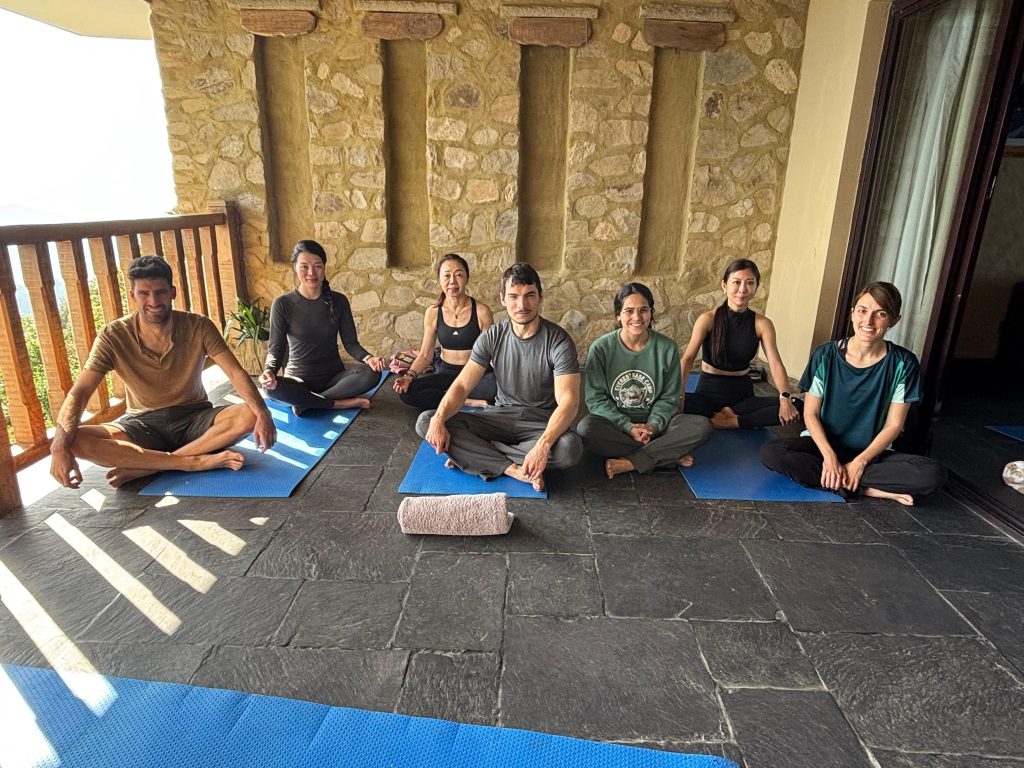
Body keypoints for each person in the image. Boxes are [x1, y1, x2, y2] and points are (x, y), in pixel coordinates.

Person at [49, 255, 276, 489]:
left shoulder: (198, 326)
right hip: (142, 423)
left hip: (194, 417)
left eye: (160, 292)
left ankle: (150, 466)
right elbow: (81, 392)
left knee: (250, 414)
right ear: (133, 296)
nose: (153, 301)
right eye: (144, 294)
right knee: (76, 439)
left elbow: (236, 373)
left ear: (173, 292)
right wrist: (58, 447)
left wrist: (263, 413)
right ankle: (190, 462)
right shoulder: (113, 335)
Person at [761, 282, 946, 505]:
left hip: (872, 453)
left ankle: (841, 480)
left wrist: (861, 461)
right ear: (852, 313)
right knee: (772, 452)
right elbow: (810, 414)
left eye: (880, 314)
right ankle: (868, 490)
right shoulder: (826, 355)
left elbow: (894, 426)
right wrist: (829, 457)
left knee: (932, 473)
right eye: (862, 311)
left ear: (894, 320)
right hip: (823, 447)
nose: (868, 321)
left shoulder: (903, 362)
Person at [416, 263, 582, 491]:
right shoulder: (493, 336)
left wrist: (543, 445)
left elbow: (569, 402)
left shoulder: (559, 341)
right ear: (502, 299)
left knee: (569, 449)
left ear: (540, 297)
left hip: (539, 423)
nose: (521, 305)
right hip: (499, 417)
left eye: (529, 296)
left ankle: (479, 454)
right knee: (427, 420)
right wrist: (439, 419)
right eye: (513, 296)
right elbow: (463, 385)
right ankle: (512, 468)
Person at [578, 283, 713, 479]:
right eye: (629, 311)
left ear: (651, 313)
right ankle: (665, 456)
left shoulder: (667, 348)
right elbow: (596, 399)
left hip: (659, 427)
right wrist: (628, 427)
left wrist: (652, 426)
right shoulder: (601, 348)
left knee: (702, 426)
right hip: (616, 426)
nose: (637, 317)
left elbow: (669, 398)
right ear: (618, 315)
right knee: (586, 430)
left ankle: (630, 462)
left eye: (643, 310)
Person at [260, 240, 386, 415]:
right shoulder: (283, 304)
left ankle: (307, 402)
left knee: (372, 374)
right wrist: (269, 372)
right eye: (304, 267)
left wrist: (368, 358)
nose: (311, 273)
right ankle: (337, 404)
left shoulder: (339, 301)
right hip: (298, 380)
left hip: (334, 379)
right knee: (269, 389)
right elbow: (276, 348)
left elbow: (350, 343)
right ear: (295, 267)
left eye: (317, 266)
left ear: (324, 267)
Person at [680, 259, 800, 429]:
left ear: (756, 287)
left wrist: (785, 398)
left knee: (799, 406)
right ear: (724, 286)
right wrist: (678, 396)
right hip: (707, 396)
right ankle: (727, 418)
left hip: (742, 398)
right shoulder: (707, 319)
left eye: (749, 283)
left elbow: (775, 363)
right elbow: (687, 359)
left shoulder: (762, 324)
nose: (742, 289)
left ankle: (730, 422)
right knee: (657, 402)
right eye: (736, 282)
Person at [393, 253, 497, 410]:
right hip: (446, 372)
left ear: (467, 278)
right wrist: (408, 376)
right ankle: (465, 400)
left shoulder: (482, 311)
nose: (453, 281)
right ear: (440, 280)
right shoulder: (433, 312)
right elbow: (425, 355)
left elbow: (491, 354)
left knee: (497, 387)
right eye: (447, 276)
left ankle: (449, 396)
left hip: (475, 374)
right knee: (407, 392)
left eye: (459, 275)